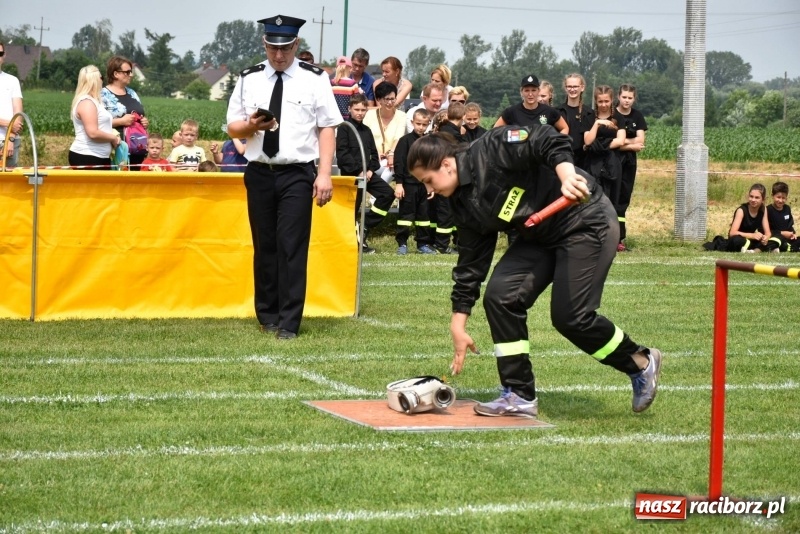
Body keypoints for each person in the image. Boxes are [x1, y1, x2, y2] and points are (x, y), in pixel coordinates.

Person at [407, 128, 662, 417]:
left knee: (571, 317)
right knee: (501, 296)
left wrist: (567, 176)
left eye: (428, 181)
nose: (429, 190)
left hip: (584, 219)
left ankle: (640, 362)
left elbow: (546, 138)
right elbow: (471, 264)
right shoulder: (461, 203)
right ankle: (519, 395)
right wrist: (458, 324)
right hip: (539, 237)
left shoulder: (491, 148)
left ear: (446, 164)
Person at [226, 14, 341, 340]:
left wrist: (324, 174)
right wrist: (251, 126)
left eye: (286, 48)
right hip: (260, 171)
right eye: (273, 48)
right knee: (265, 246)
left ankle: (289, 321)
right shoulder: (249, 78)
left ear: (296, 44)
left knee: (292, 246)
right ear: (264, 44)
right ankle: (268, 315)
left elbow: (327, 127)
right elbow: (233, 127)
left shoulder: (315, 79)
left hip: (297, 173)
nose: (279, 55)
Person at [336, 93, 394, 254]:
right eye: (357, 109)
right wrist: (359, 170)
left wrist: (369, 170)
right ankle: (353, 244)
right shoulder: (344, 128)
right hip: (351, 176)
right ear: (350, 109)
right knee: (352, 210)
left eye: (363, 110)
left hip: (367, 174)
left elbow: (374, 156)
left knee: (387, 194)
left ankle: (366, 225)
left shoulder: (367, 130)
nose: (360, 113)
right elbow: (342, 155)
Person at [393, 108, 435, 255]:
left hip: (423, 186)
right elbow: (399, 163)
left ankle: (422, 244)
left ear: (429, 124)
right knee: (406, 216)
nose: (421, 127)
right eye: (418, 123)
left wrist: (430, 184)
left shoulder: (429, 142)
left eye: (424, 124)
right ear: (412, 122)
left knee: (424, 216)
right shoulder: (405, 141)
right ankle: (402, 244)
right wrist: (399, 184)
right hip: (408, 185)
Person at [68, 65, 121, 170]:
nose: (102, 81)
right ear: (95, 80)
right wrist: (113, 138)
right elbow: (93, 133)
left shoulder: (94, 102)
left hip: (98, 156)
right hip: (87, 156)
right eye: (101, 78)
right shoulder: (87, 102)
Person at [101, 56, 149, 171]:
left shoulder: (132, 93)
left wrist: (144, 122)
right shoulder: (103, 95)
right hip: (117, 149)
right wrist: (121, 121)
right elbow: (97, 123)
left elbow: (140, 114)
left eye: (131, 72)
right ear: (116, 74)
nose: (131, 75)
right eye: (127, 72)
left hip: (137, 148)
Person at [616, 83, 647, 252]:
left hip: (629, 163)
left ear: (634, 99)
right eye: (624, 97)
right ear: (618, 97)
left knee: (623, 200)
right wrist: (631, 144)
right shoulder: (612, 115)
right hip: (612, 161)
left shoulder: (637, 116)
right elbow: (608, 142)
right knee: (611, 199)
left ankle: (619, 239)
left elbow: (641, 141)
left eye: (630, 98)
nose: (626, 100)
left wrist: (622, 143)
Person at [582, 85, 625, 207]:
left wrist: (597, 145)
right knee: (592, 198)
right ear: (596, 101)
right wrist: (597, 123)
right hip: (593, 163)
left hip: (612, 162)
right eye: (600, 101)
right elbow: (588, 141)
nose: (603, 104)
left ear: (611, 100)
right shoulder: (589, 118)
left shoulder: (618, 117)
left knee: (611, 198)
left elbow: (620, 141)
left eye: (606, 101)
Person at [362, 81, 406, 183]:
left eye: (392, 99)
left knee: (392, 166)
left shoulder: (401, 116)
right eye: (387, 99)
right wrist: (376, 153)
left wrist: (391, 154)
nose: (390, 102)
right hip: (373, 157)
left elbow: (398, 137)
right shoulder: (369, 115)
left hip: (392, 158)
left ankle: (379, 189)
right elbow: (366, 138)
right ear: (378, 100)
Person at [494, 75, 568, 135]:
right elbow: (494, 131)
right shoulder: (511, 112)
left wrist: (556, 143)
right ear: (521, 92)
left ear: (538, 91)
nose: (530, 94)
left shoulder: (549, 111)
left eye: (533, 90)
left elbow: (565, 128)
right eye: (526, 90)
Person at [558, 73, 594, 170]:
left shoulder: (589, 113)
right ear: (565, 88)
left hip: (584, 161)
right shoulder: (558, 112)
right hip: (564, 159)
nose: (572, 89)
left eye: (575, 86)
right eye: (569, 86)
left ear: (582, 88)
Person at [727, 183, 778, 253]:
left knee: (776, 235)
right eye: (751, 196)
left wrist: (765, 238)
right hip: (739, 239)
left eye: (757, 197)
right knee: (737, 240)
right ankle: (763, 249)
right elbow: (732, 233)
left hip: (751, 240)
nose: (753, 200)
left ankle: (754, 251)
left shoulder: (763, 209)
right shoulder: (741, 210)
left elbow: (768, 232)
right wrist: (752, 235)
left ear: (763, 199)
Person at [0, 41, 23, 168]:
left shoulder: (13, 80)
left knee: (10, 179)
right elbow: (13, 123)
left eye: (0, 53)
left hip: (9, 141)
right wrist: (9, 124)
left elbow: (18, 112)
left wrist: (11, 138)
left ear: (4, 55)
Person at [767, 181, 799, 252]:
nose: (780, 200)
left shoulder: (787, 208)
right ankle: (783, 247)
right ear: (772, 196)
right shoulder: (768, 210)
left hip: (787, 238)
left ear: (786, 198)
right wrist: (781, 233)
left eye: (783, 198)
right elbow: (765, 230)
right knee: (778, 240)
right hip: (775, 237)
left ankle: (789, 247)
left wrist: (793, 234)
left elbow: (790, 226)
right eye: (778, 197)